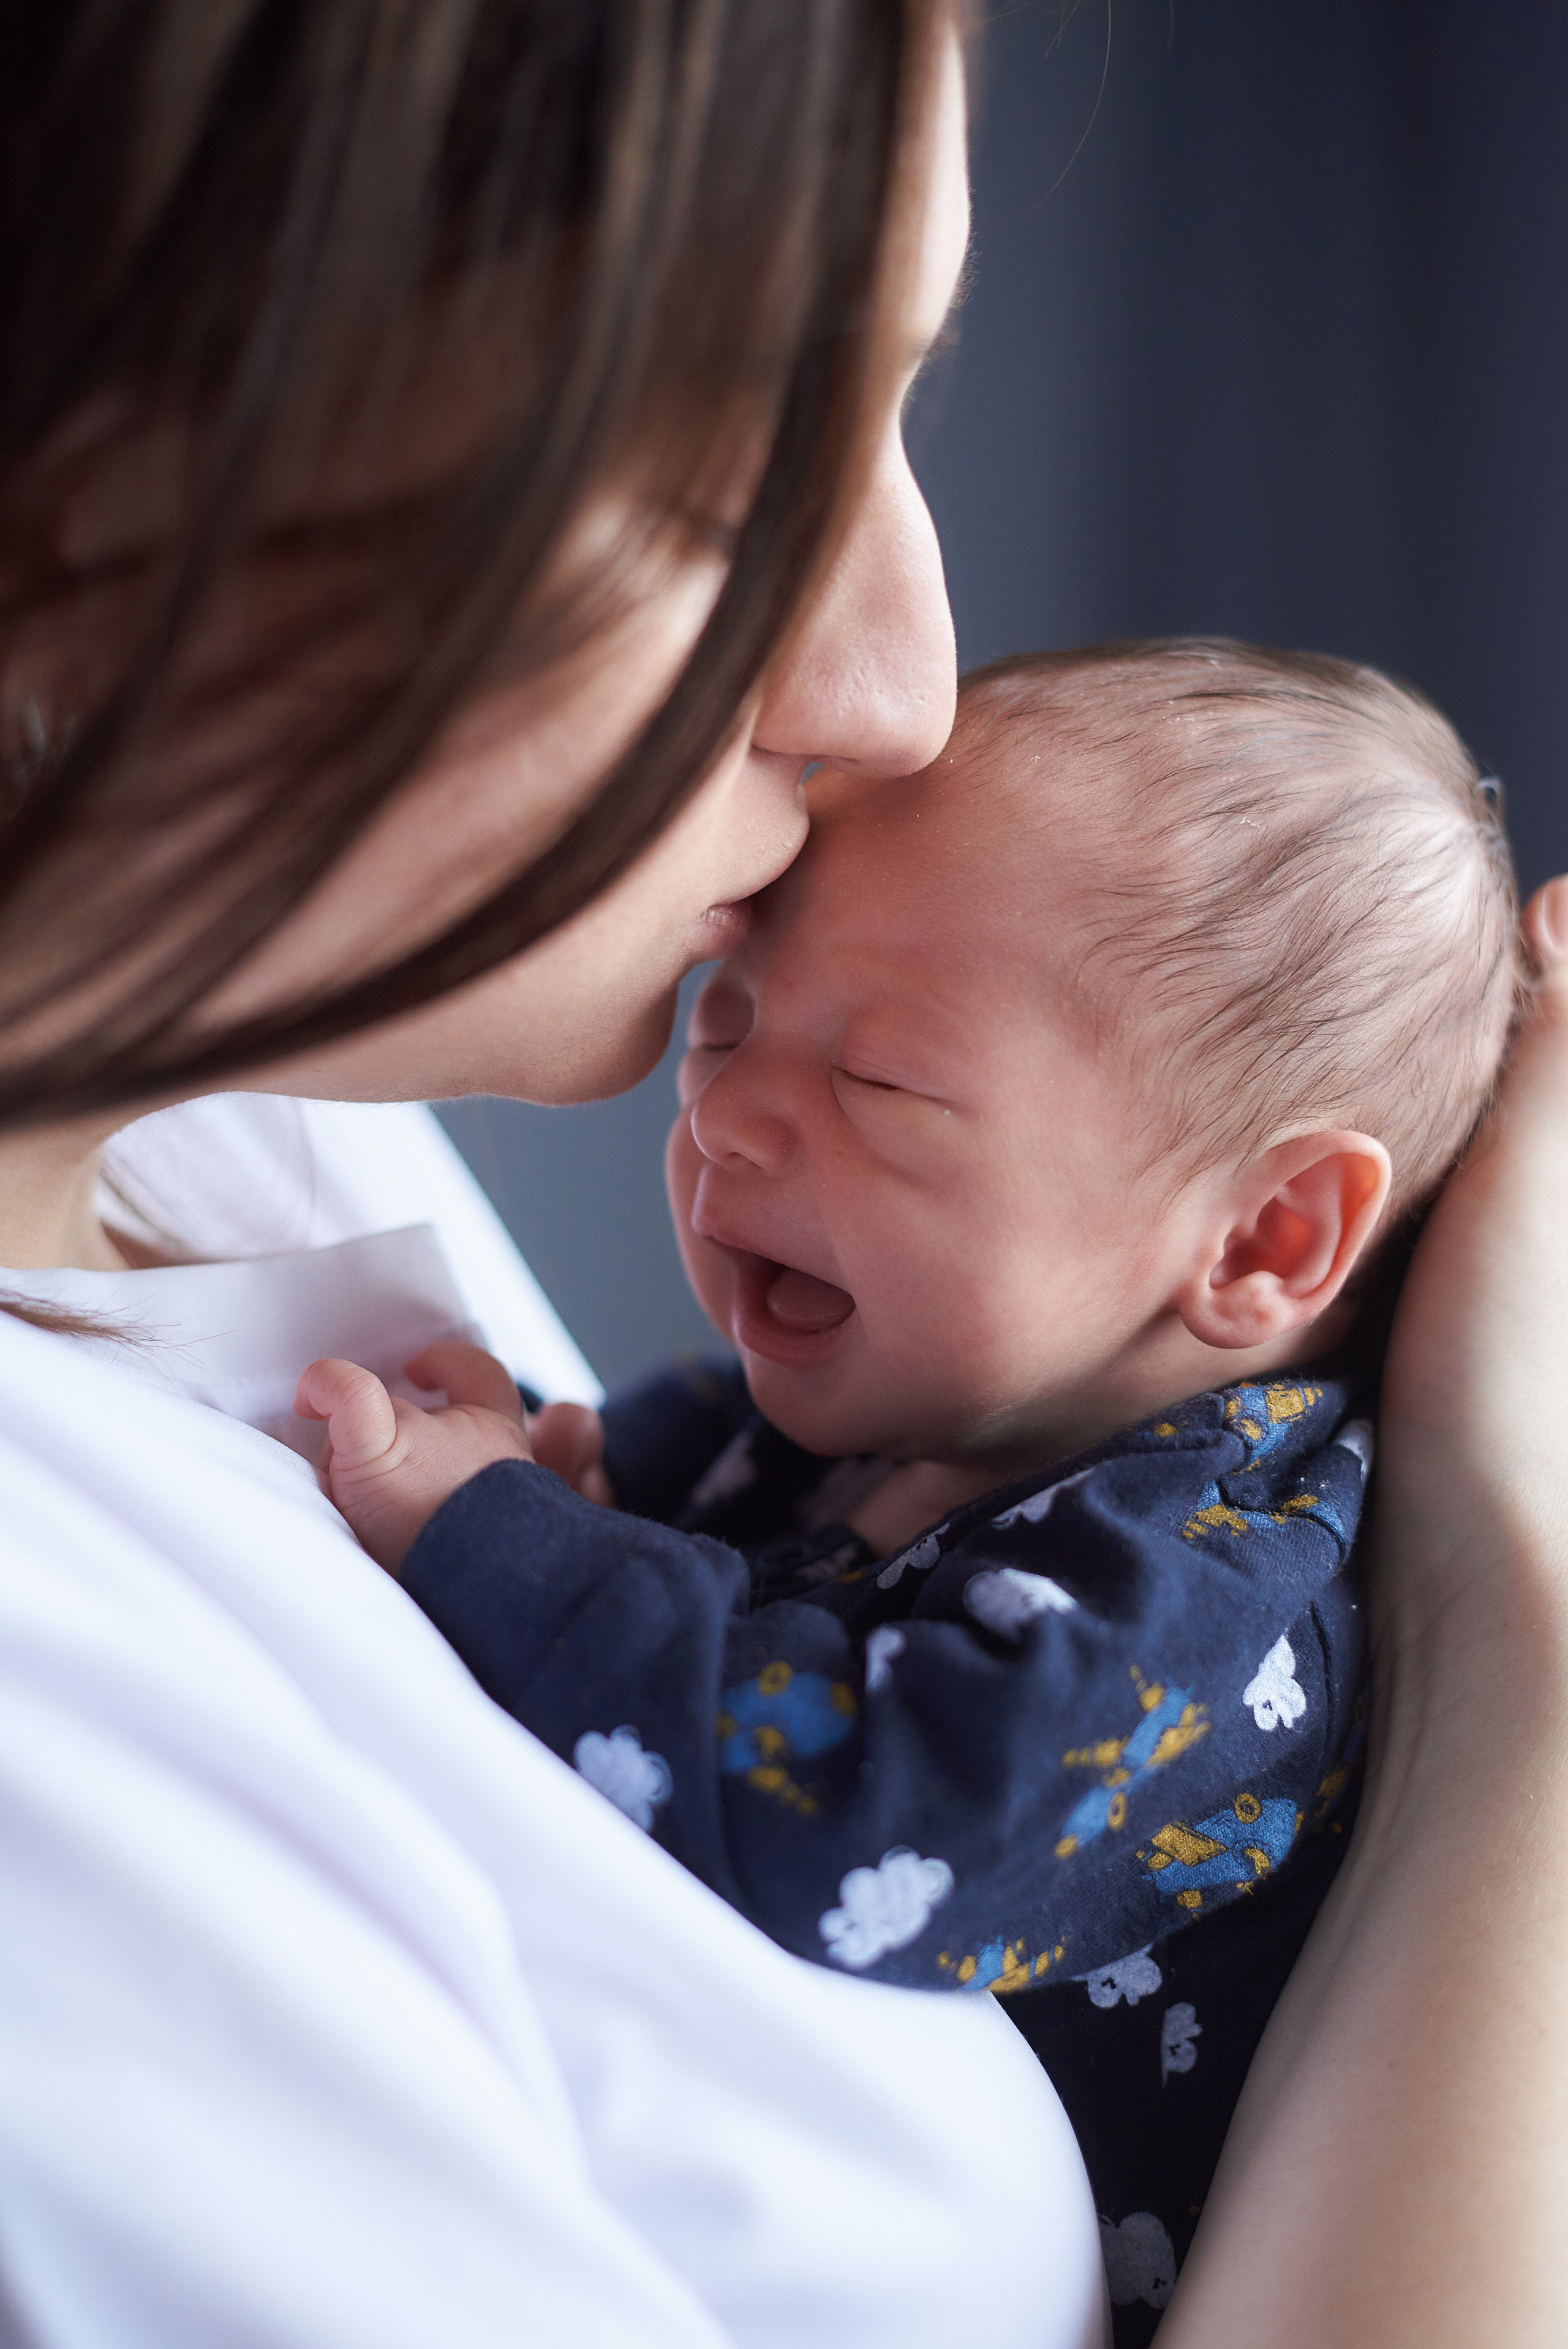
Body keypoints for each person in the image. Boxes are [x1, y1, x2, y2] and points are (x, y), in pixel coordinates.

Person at [0, 7, 1564, 2347]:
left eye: (902, 412)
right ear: (90, 458)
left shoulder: (233, 1124)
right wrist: (1522, 1657)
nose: (904, 683)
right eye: (724, 459)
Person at [295, 635, 1519, 2337]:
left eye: (877, 1083)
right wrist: (576, 1475)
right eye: (726, 1021)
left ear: (1264, 1236)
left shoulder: (1220, 1589)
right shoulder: (901, 1402)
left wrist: (500, 1541)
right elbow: (702, 1516)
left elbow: (864, 1806)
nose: (729, 1117)